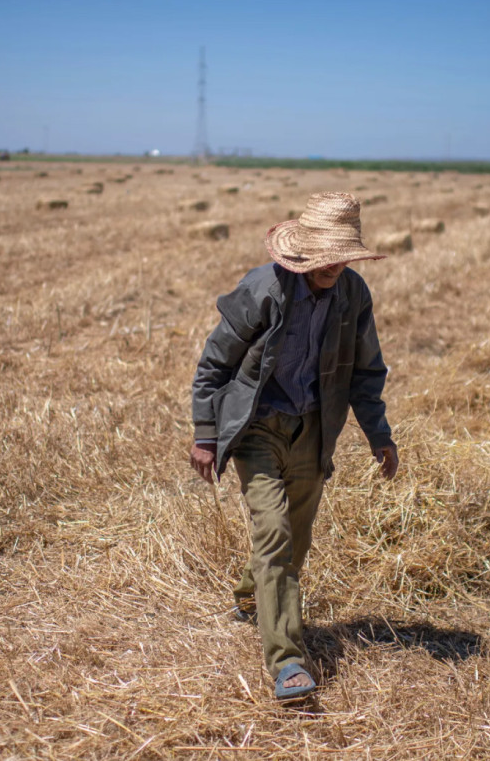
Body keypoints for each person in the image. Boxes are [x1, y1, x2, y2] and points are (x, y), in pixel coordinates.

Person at [190, 192, 399, 701]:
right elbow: (215, 361)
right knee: (275, 535)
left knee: (293, 542)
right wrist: (205, 433)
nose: (332, 266)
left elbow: (366, 373)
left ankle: (249, 597)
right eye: (324, 256)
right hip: (257, 429)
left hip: (313, 429)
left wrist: (380, 436)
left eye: (340, 256)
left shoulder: (353, 296)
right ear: (303, 251)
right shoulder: (263, 289)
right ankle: (287, 661)